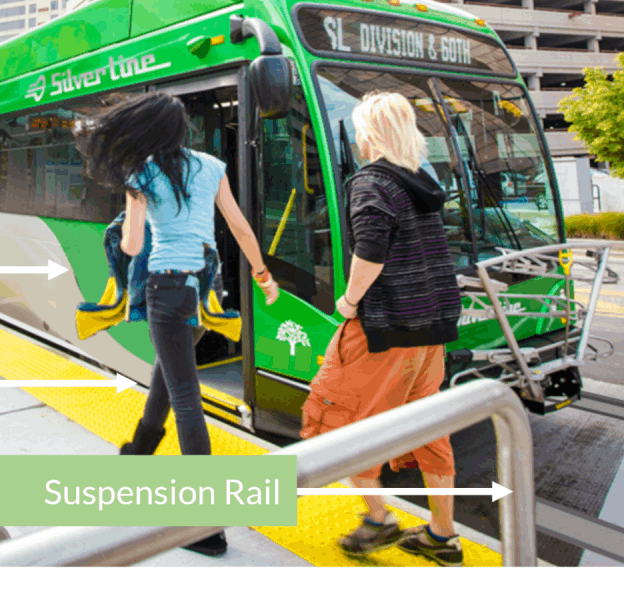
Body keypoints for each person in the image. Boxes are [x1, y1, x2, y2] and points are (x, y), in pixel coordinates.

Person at [79, 92, 279, 556]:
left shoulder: (141, 174)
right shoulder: (211, 165)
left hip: (166, 290)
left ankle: (204, 526)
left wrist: (134, 225)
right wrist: (263, 276)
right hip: (206, 291)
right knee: (170, 375)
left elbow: (131, 245)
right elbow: (240, 227)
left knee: (187, 400)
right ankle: (138, 456)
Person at [301, 91, 464, 566]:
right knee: (428, 430)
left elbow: (370, 249)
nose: (354, 136)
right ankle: (442, 535)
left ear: (371, 134)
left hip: (384, 328)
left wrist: (349, 301)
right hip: (431, 331)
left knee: (338, 422)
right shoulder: (423, 182)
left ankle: (379, 521)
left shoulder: (370, 182)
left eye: (358, 128)